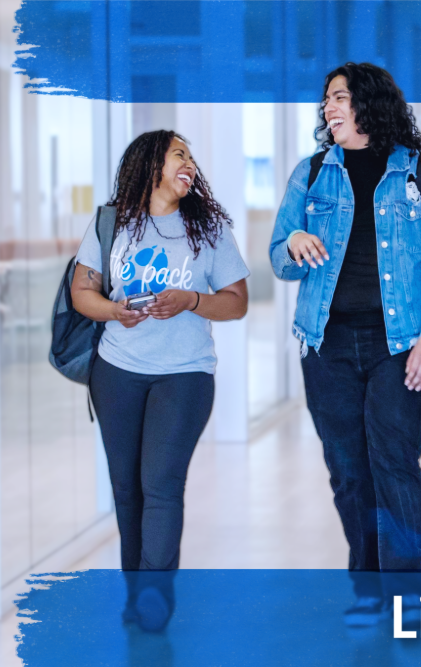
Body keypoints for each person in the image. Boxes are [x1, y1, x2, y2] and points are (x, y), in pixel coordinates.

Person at [270, 63, 421, 626]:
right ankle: (368, 586)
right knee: (349, 469)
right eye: (326, 99)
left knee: (395, 461)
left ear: (369, 104)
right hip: (325, 342)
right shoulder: (310, 174)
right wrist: (294, 239)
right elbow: (279, 256)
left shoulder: (420, 175)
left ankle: (406, 593)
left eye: (341, 97)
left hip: (396, 343)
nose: (329, 107)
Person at [72, 130, 249, 630]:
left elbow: (236, 301)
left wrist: (191, 300)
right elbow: (81, 290)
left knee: (162, 485)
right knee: (127, 489)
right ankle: (136, 592)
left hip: (186, 374)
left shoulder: (208, 228)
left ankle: (155, 593)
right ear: (151, 165)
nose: (189, 163)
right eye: (179, 155)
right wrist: (113, 311)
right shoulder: (111, 221)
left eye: (191, 156)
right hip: (117, 372)